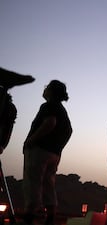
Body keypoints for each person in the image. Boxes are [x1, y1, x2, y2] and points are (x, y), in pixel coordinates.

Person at [23, 80, 72, 225]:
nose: (44, 90)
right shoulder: (62, 110)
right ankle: (50, 216)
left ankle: (30, 216)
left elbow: (50, 122)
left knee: (33, 183)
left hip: (39, 151)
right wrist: (59, 147)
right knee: (48, 184)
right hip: (54, 154)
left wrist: (31, 140)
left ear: (51, 91)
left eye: (46, 87)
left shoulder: (48, 106)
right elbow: (69, 131)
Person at [0, 67, 35, 154]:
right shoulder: (11, 107)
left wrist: (2, 145)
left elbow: (8, 128)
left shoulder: (10, 108)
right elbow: (9, 128)